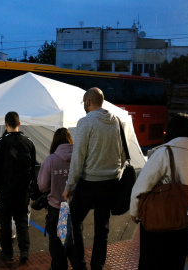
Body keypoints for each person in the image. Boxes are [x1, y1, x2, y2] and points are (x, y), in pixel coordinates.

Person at [62, 87, 125, 270]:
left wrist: (69, 185)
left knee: (73, 221)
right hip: (111, 182)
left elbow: (78, 156)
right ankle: (97, 266)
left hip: (90, 182)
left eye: (84, 103)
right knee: (102, 228)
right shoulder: (116, 121)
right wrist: (116, 173)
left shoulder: (85, 122)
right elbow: (121, 153)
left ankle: (79, 265)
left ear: (88, 102)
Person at [129, 113, 188, 270]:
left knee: (152, 261)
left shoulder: (164, 153)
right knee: (175, 261)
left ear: (172, 131)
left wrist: (134, 211)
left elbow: (141, 186)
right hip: (185, 220)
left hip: (160, 220)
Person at [0, 111, 36, 263]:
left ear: (6, 124)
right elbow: (33, 168)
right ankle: (24, 252)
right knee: (22, 221)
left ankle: (7, 252)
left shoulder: (0, 143)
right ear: (19, 124)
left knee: (5, 223)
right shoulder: (29, 142)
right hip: (22, 190)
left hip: (4, 190)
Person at [37, 127, 74, 270]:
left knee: (57, 247)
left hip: (56, 209)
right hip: (74, 207)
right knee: (73, 245)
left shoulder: (51, 160)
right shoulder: (78, 158)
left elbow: (42, 186)